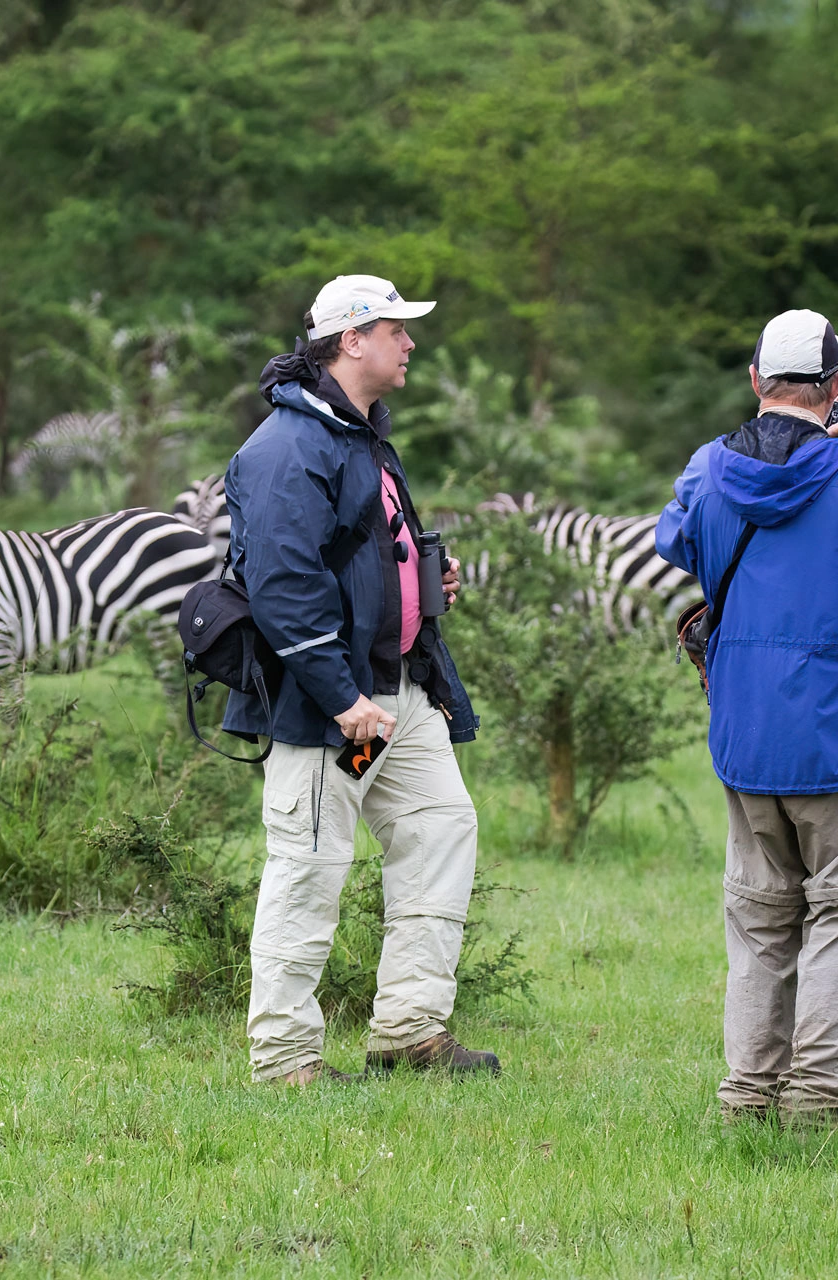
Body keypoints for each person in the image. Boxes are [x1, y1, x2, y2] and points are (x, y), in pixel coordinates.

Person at [654, 309, 838, 1146]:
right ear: (835, 387)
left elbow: (674, 538)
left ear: (755, 380)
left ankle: (748, 1099)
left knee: (760, 918)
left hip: (747, 740)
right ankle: (819, 1109)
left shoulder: (708, 470)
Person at [222, 274, 498, 1085]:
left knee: (440, 828)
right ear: (351, 339)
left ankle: (409, 1031)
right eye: (395, 330)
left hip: (395, 696)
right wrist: (342, 699)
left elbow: (361, 552)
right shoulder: (287, 447)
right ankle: (285, 1060)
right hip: (334, 709)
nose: (409, 343)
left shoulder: (358, 434)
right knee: (309, 864)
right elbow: (282, 586)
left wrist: (421, 583)